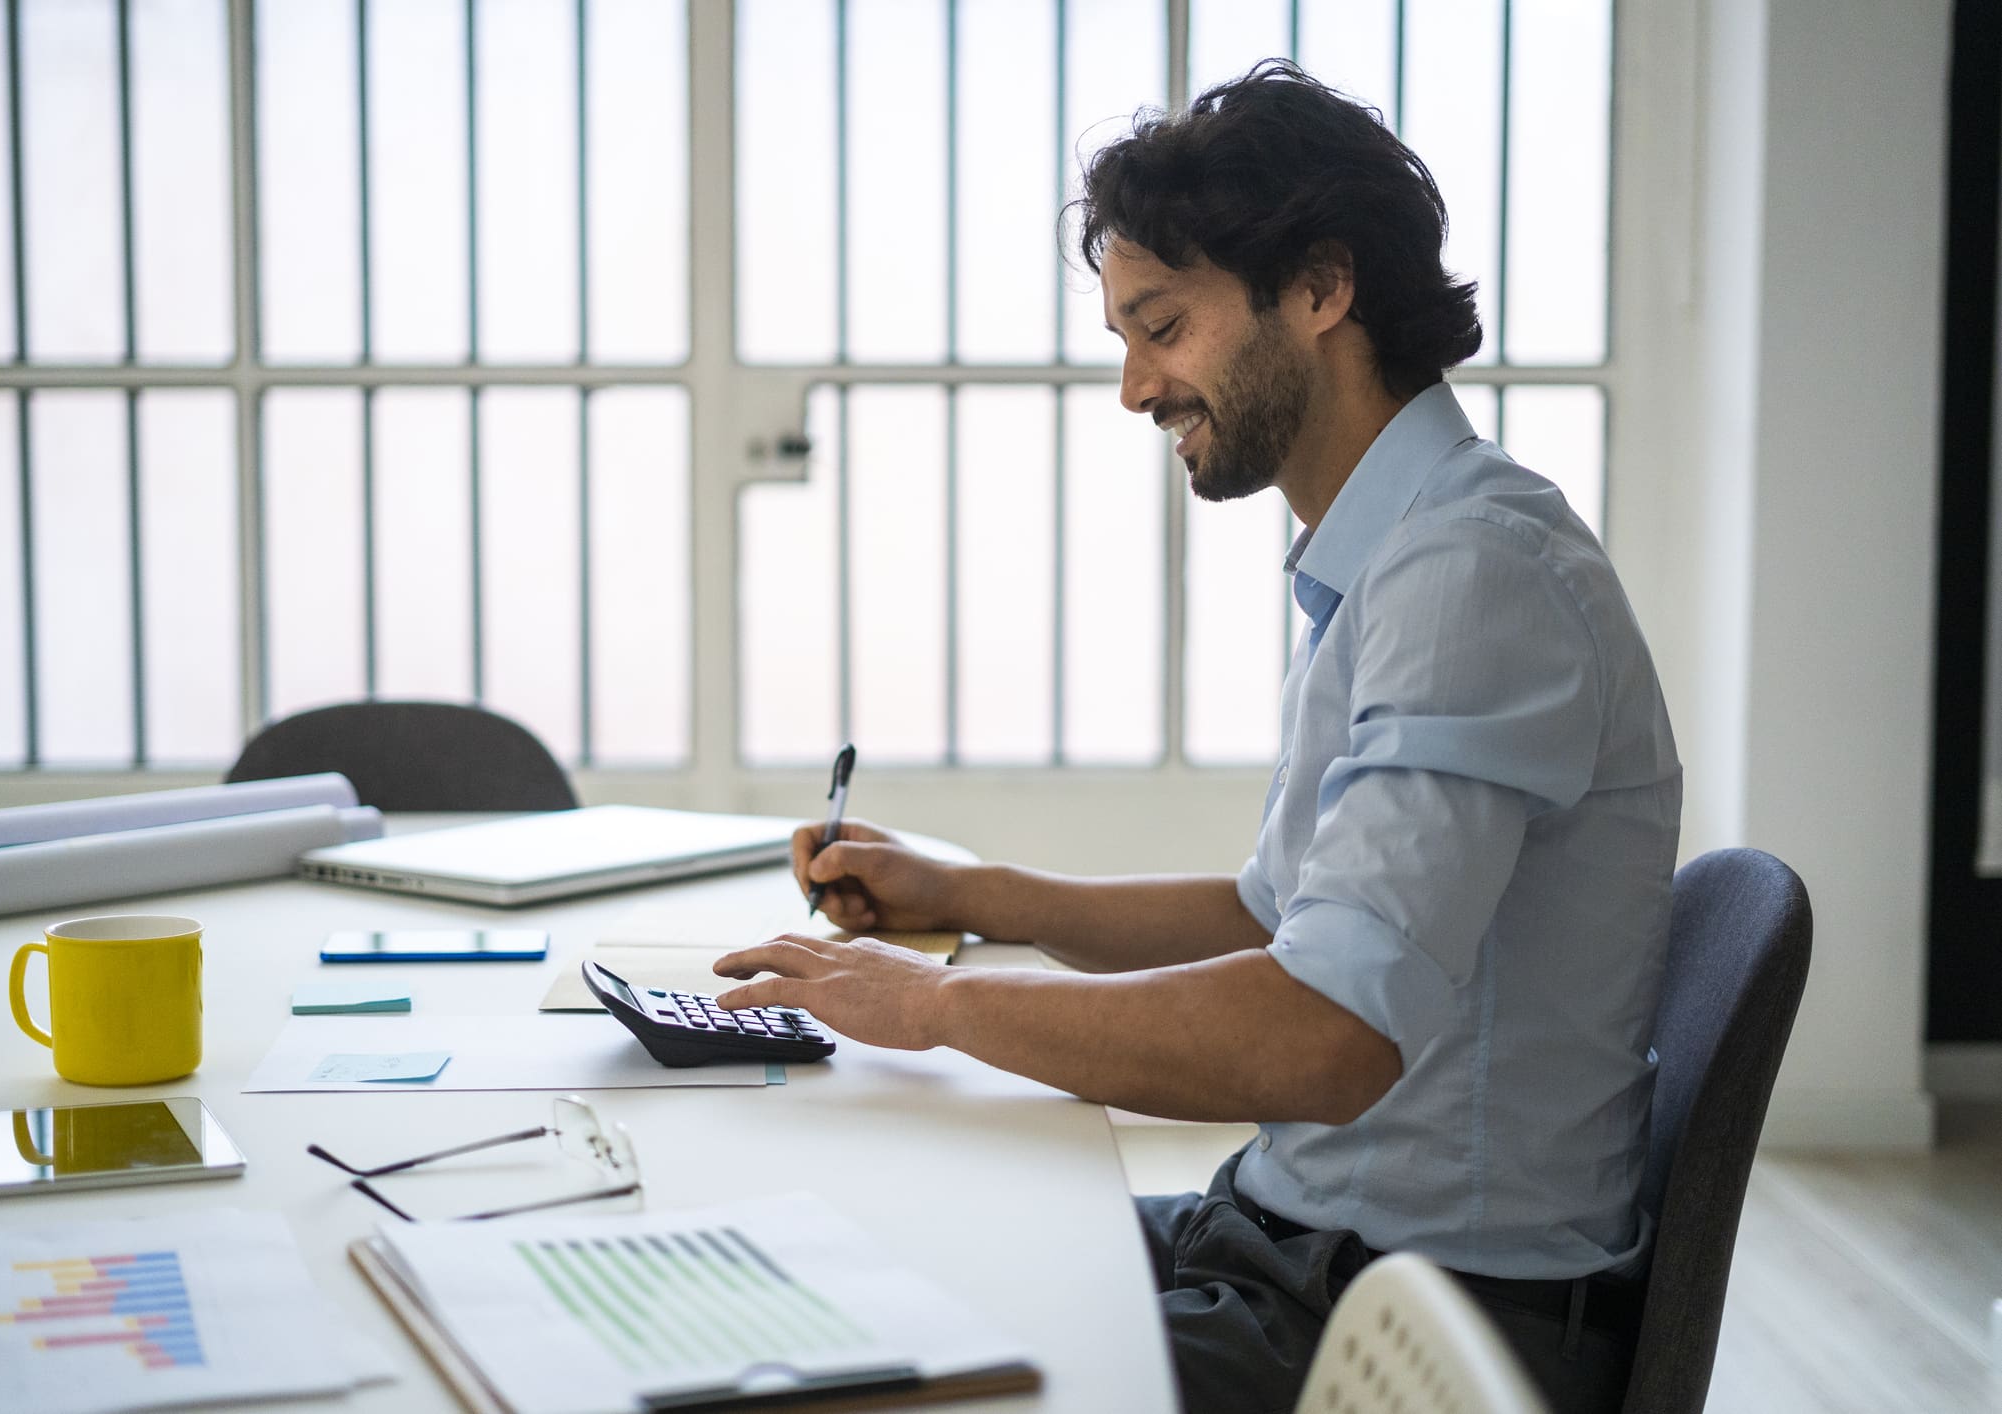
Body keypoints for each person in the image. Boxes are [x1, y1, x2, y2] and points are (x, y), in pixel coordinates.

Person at [713, 59, 1680, 1414]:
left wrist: (935, 1004)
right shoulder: (1394, 556)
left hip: (1415, 1321)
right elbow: (1273, 918)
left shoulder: (1474, 576)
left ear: (1320, 290)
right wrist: (969, 894)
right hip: (1292, 1245)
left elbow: (1322, 1035)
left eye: (1159, 325)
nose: (1132, 387)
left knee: (846, 1382)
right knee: (851, 1274)